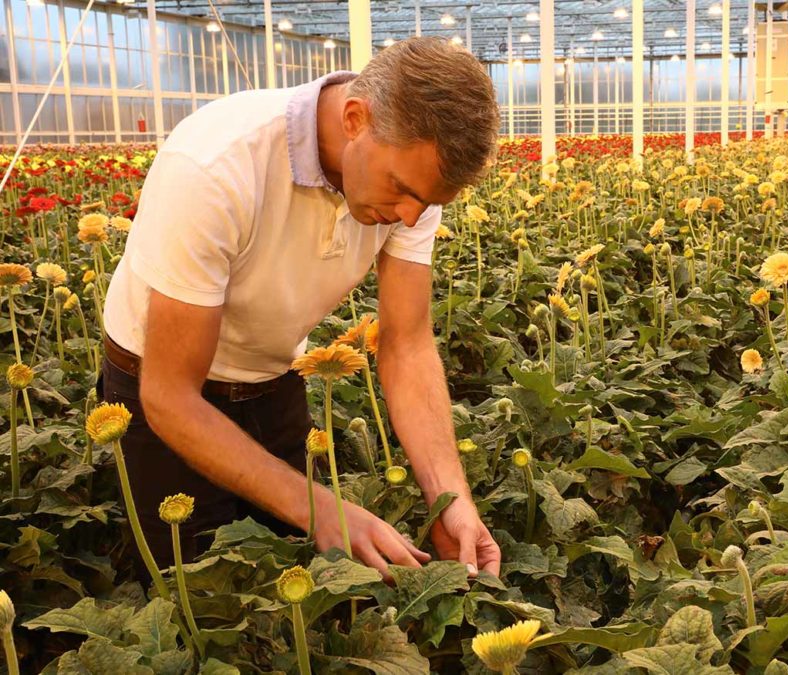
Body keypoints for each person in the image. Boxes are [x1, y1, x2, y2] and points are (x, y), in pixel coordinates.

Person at [99, 37, 502, 581]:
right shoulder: (216, 167)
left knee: (310, 589)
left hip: (273, 380)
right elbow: (170, 397)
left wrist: (449, 498)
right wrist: (317, 508)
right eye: (403, 192)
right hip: (161, 392)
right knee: (201, 598)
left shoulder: (412, 181)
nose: (410, 218)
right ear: (356, 119)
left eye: (428, 204)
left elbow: (406, 344)